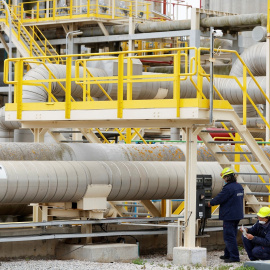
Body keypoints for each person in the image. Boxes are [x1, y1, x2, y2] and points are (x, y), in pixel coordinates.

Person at [208, 167, 244, 263]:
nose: (224, 180)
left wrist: (209, 203)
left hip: (229, 215)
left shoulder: (228, 188)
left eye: (224, 178)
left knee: (229, 236)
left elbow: (219, 198)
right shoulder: (239, 186)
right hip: (237, 215)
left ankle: (234, 257)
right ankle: (227, 254)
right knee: (232, 235)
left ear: (227, 178)